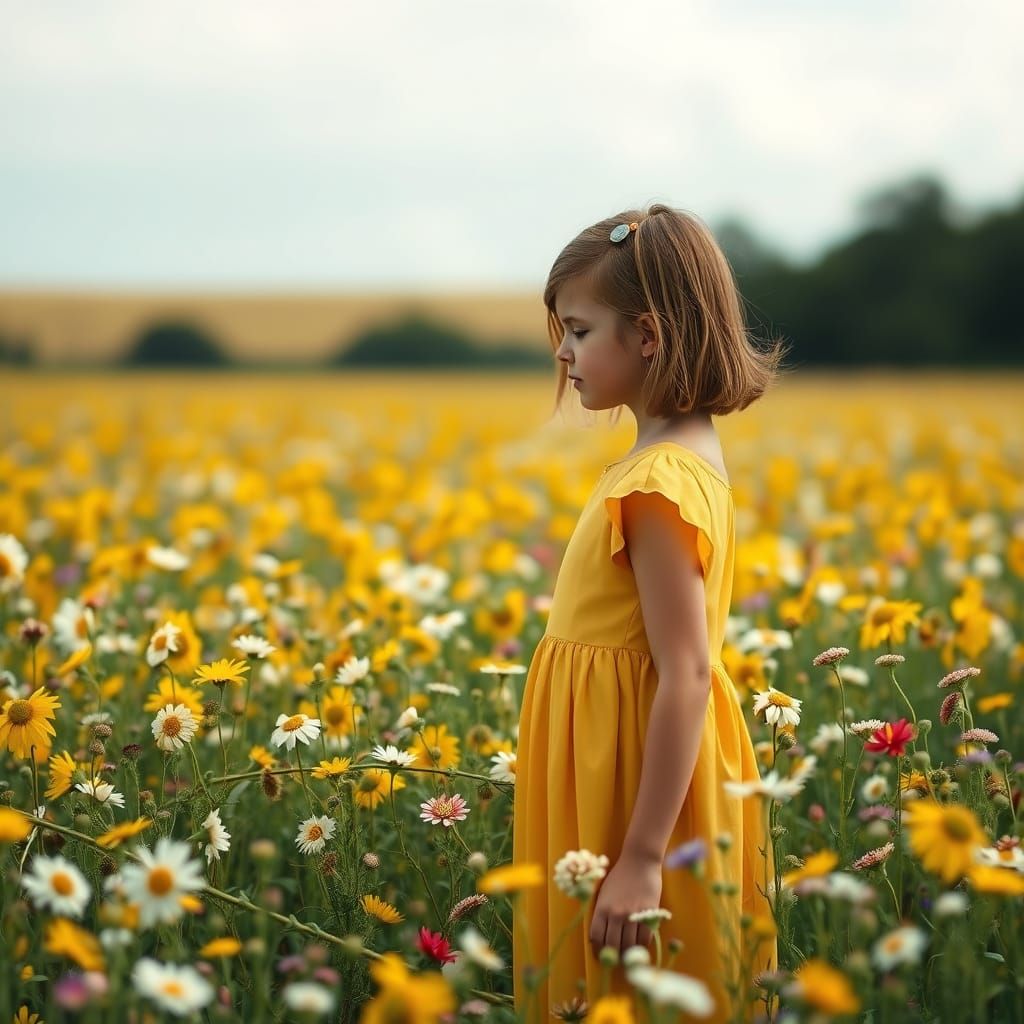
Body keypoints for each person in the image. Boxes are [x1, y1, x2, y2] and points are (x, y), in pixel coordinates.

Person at [511, 203, 791, 1022]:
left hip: (631, 773)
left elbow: (688, 672)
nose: (562, 352)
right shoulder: (671, 457)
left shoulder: (659, 482)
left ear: (649, 336)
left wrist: (640, 858)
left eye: (578, 328)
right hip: (618, 755)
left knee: (623, 991)